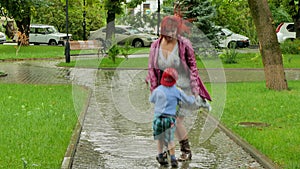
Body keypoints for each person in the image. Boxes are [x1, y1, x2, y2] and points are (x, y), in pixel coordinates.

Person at [147, 15, 212, 161]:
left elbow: (193, 68)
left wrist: (195, 89)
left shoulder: (184, 44)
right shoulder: (155, 46)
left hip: (184, 87)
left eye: (173, 31)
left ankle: (185, 151)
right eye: (168, 31)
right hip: (165, 90)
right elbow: (151, 70)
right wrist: (154, 90)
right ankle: (165, 152)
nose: (170, 35)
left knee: (175, 121)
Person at [149, 68, 196, 167]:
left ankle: (161, 155)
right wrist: (193, 98)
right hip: (170, 119)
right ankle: (173, 158)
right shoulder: (176, 91)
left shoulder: (158, 90)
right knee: (170, 138)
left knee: (160, 138)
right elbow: (188, 100)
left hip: (158, 119)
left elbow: (151, 99)